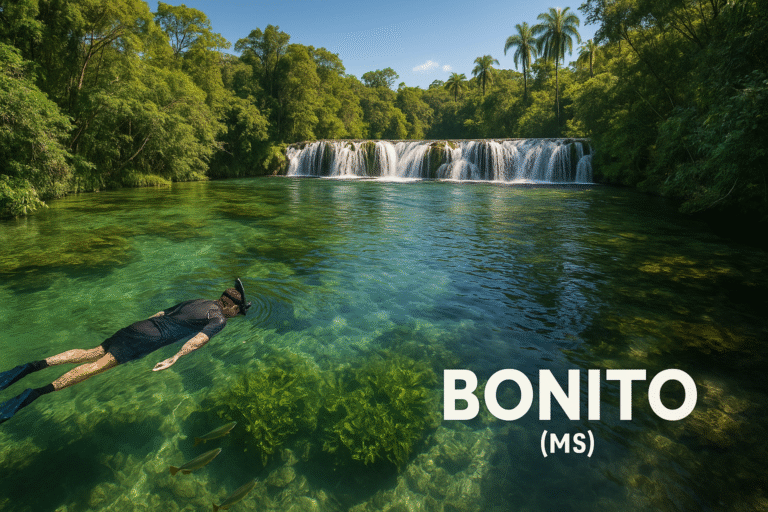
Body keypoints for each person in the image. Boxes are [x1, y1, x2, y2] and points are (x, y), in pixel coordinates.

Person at [0, 279, 252, 425]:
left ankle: (31, 366)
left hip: (141, 326)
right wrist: (175, 357)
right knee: (96, 368)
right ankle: (33, 394)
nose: (235, 315)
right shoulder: (219, 319)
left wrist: (141, 330)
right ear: (230, 306)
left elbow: (161, 314)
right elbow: (198, 340)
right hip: (148, 340)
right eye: (237, 311)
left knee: (92, 352)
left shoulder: (199, 301)